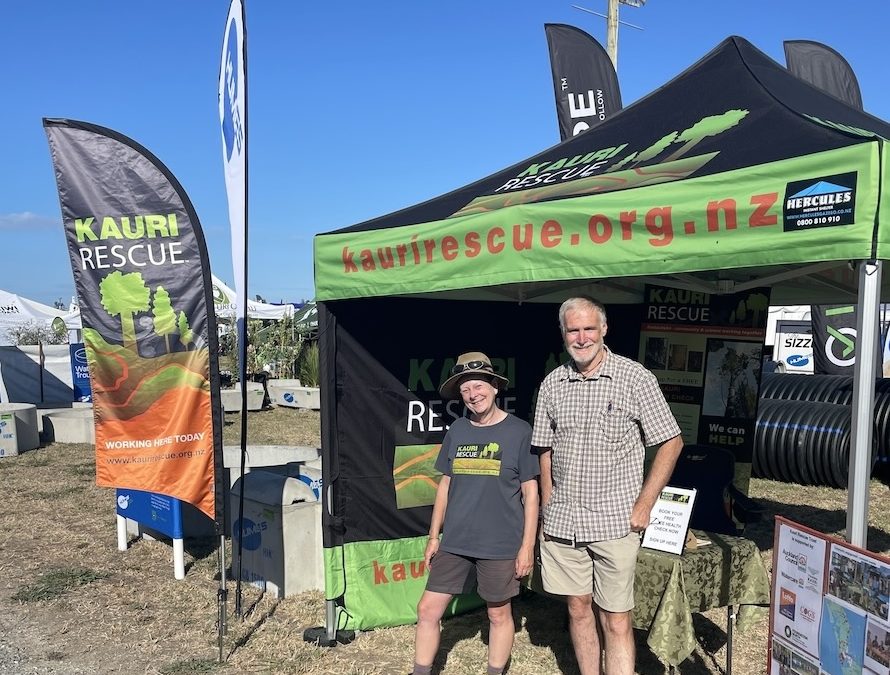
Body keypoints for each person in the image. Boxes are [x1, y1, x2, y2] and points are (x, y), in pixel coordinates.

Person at [532, 296, 683, 675]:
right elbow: (544, 449)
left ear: (604, 330)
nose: (581, 337)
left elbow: (671, 441)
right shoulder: (552, 383)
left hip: (615, 522)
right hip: (564, 524)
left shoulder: (634, 378)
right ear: (563, 333)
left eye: (588, 328)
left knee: (616, 619)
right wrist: (549, 504)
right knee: (578, 609)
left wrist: (645, 503)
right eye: (573, 330)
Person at [412, 351, 539, 675]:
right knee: (427, 609)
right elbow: (444, 485)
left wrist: (527, 547)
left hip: (500, 544)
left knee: (497, 614)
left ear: (495, 387)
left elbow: (531, 492)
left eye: (479, 385)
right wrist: (433, 537)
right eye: (466, 389)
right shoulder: (458, 430)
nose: (473, 394)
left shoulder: (519, 431)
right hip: (455, 541)